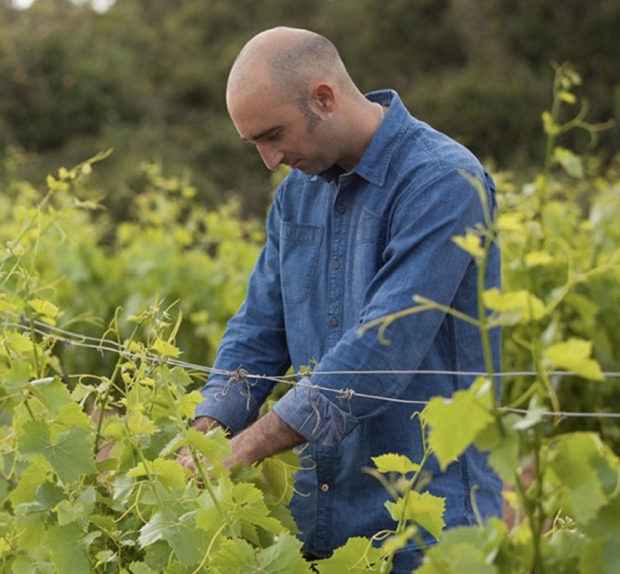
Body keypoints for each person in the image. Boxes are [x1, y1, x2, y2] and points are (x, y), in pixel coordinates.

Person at [184, 26, 503, 572]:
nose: (268, 159)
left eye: (273, 134)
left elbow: (382, 346)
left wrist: (247, 447)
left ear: (324, 98)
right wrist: (209, 430)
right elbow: (258, 328)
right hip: (319, 520)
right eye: (254, 142)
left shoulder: (443, 181)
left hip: (425, 530)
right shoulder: (296, 195)